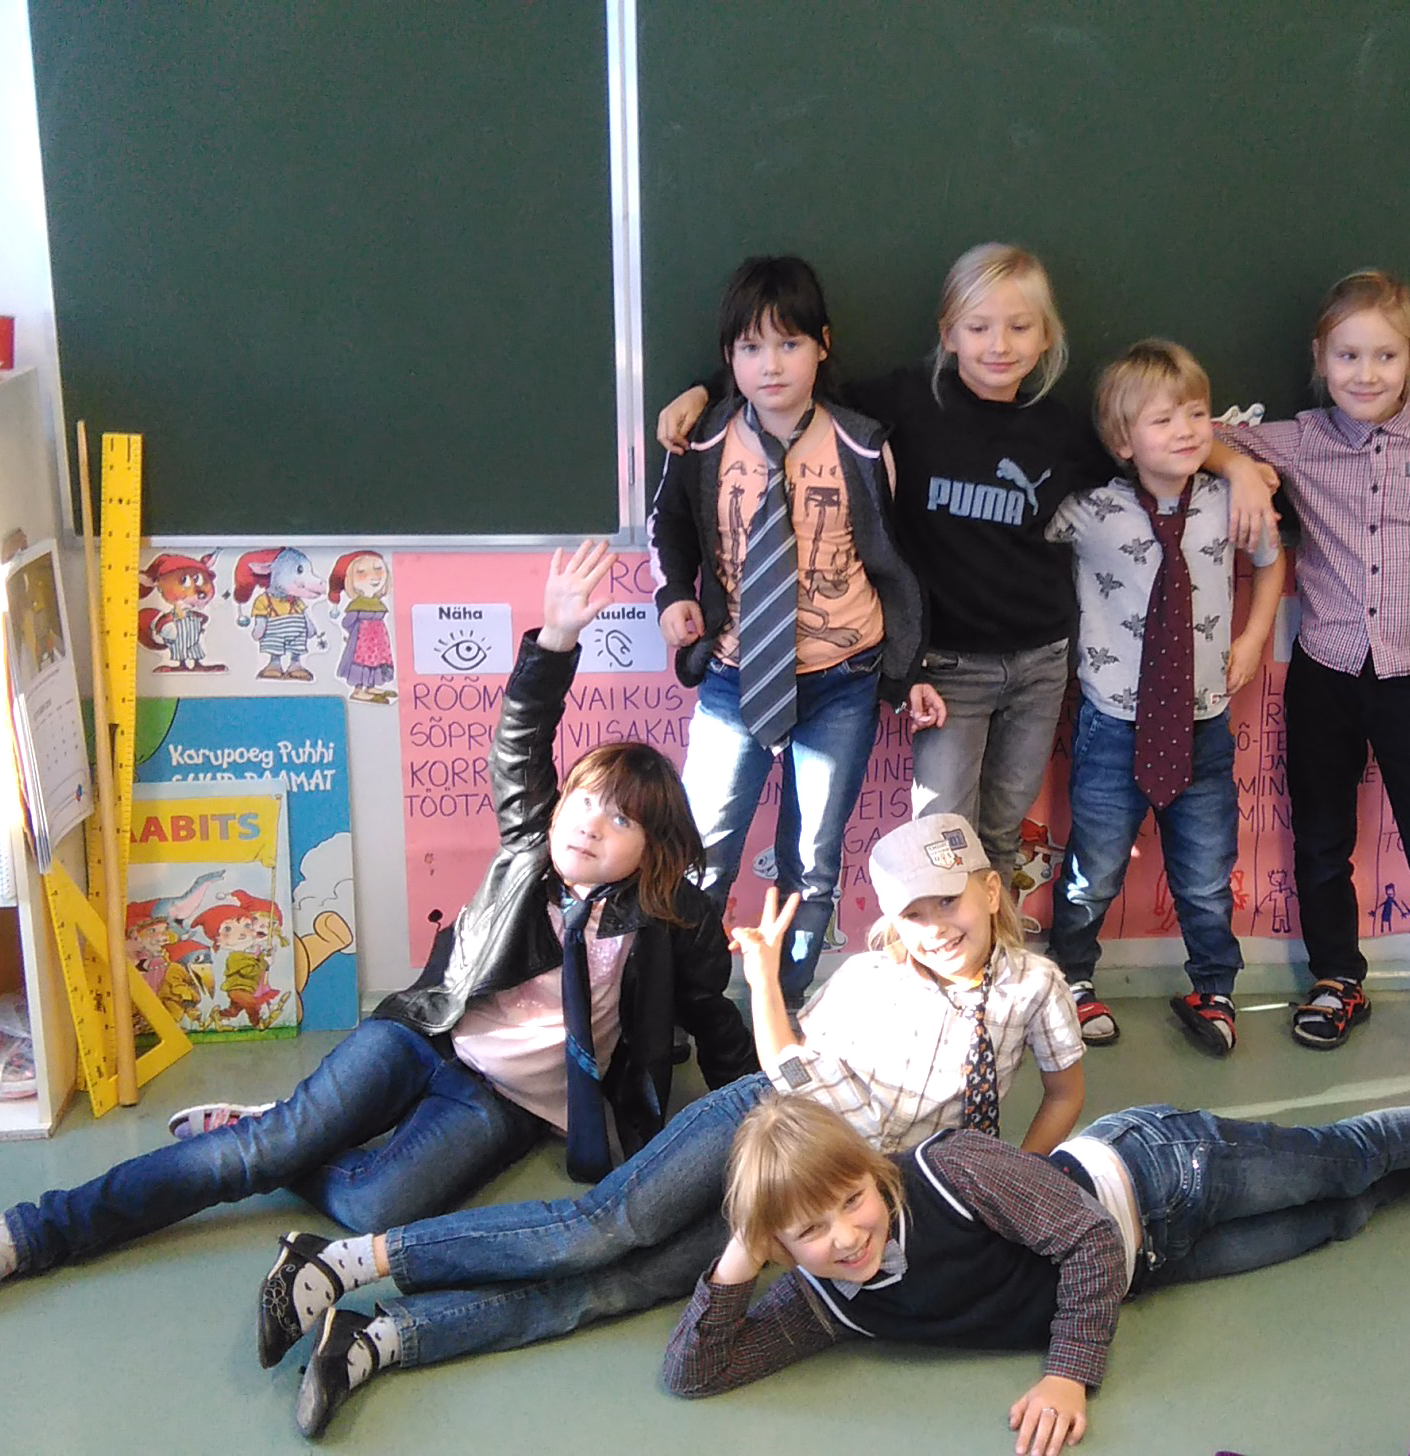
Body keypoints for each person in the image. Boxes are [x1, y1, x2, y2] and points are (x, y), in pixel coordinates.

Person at [0, 542, 758, 1318]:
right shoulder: (531, 846)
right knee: (252, 1158)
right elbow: (520, 740)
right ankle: (23, 1234)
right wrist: (557, 640)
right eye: (584, 800)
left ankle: (277, 1136)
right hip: (430, 1034)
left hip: (510, 1102)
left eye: (621, 819)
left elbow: (715, 1024)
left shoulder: (673, 921)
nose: (590, 824)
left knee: (373, 1206)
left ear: (654, 847)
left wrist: (765, 1122)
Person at [257, 812, 1085, 1438]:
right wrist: (764, 979)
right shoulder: (873, 978)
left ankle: (381, 1338)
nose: (936, 928)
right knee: (598, 1230)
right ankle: (342, 1261)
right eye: (913, 914)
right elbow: (787, 1064)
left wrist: (1011, 1175)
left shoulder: (1036, 988)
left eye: (950, 902)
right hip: (763, 1123)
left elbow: (1062, 1092)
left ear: (991, 891)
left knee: (615, 1290)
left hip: (829, 1195)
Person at [657, 245, 1275, 1045]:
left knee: (999, 835)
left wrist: (1236, 465)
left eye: (1020, 327)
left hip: (1040, 665)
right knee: (937, 837)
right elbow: (784, 377)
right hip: (945, 669)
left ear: (1047, 337)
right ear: (948, 333)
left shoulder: (1064, 430)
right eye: (979, 327)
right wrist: (701, 390)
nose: (999, 345)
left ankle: (988, 991)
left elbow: (1155, 438)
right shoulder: (902, 405)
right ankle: (914, 992)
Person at [659, 1093, 1410, 1454]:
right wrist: (736, 1262)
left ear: (874, 1176)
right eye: (809, 1231)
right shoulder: (822, 1304)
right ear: (777, 1245)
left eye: (853, 1201)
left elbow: (1090, 1240)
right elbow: (698, 1374)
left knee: (1347, 1163)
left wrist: (1068, 1373)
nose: (847, 1237)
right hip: (1155, 1265)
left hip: (1161, 1169)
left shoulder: (949, 1168)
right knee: (1345, 1218)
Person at [1219, 269, 1410, 1050]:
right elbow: (1199, 438)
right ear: (1320, 358)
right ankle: (1336, 980)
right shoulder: (1301, 437)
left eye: (1385, 356)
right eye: (1348, 356)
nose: (1366, 374)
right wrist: (1237, 469)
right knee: (1322, 842)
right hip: (1324, 674)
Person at [650, 255, 925, 1007]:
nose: (770, 365)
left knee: (811, 858)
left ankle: (788, 1004)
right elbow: (669, 522)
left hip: (842, 679)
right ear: (728, 356)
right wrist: (674, 594)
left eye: (790, 344)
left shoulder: (863, 444)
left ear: (823, 346)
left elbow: (900, 552)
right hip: (734, 674)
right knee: (703, 848)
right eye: (750, 348)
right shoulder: (704, 440)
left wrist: (909, 662)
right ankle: (692, 1002)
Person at [1043, 341, 1283, 1055]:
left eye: (1197, 414)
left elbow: (1270, 563)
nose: (1185, 430)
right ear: (1122, 441)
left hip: (1205, 723)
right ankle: (1072, 980)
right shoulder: (1088, 511)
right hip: (1112, 727)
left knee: (1206, 875)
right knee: (1094, 869)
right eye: (1162, 420)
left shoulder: (1231, 500)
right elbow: (1015, 543)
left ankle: (1214, 989)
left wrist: (1254, 637)